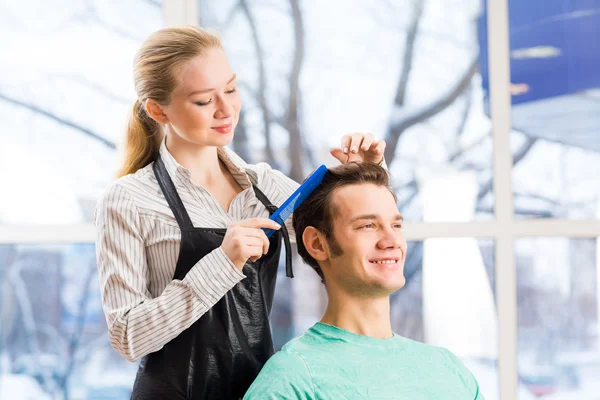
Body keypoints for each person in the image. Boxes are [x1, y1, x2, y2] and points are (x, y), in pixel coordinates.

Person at [93, 25, 386, 400]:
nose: (226, 109)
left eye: (230, 89)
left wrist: (366, 175)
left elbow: (350, 240)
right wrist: (222, 264)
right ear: (157, 109)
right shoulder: (128, 200)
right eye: (203, 101)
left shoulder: (265, 187)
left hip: (259, 392)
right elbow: (128, 337)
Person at [244, 162, 485, 399]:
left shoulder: (449, 370)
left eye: (396, 225)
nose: (391, 240)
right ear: (317, 244)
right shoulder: (291, 379)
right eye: (368, 225)